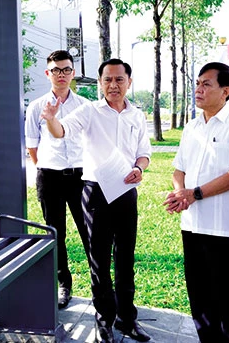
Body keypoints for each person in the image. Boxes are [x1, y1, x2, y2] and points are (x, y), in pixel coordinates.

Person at [41, 58, 152, 343]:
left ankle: (127, 319)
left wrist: (139, 168)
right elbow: (61, 131)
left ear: (129, 82)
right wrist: (52, 118)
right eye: (107, 80)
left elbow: (144, 153)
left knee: (125, 258)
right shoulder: (89, 111)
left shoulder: (137, 115)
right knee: (99, 260)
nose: (113, 85)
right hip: (95, 194)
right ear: (100, 83)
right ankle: (104, 321)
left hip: (126, 191)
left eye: (119, 79)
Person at [163, 62, 229, 343]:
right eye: (197, 83)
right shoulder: (192, 127)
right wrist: (180, 193)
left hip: (223, 227)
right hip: (192, 225)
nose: (198, 89)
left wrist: (194, 194)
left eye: (206, 84)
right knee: (200, 298)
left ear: (225, 91)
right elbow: (179, 170)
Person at [24, 50, 90, 309]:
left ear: (73, 73)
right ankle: (64, 284)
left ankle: (100, 284)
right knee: (55, 233)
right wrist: (45, 167)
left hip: (81, 177)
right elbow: (32, 145)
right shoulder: (36, 107)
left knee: (90, 231)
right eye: (56, 70)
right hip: (49, 177)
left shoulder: (84, 105)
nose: (61, 74)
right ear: (47, 73)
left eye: (66, 69)